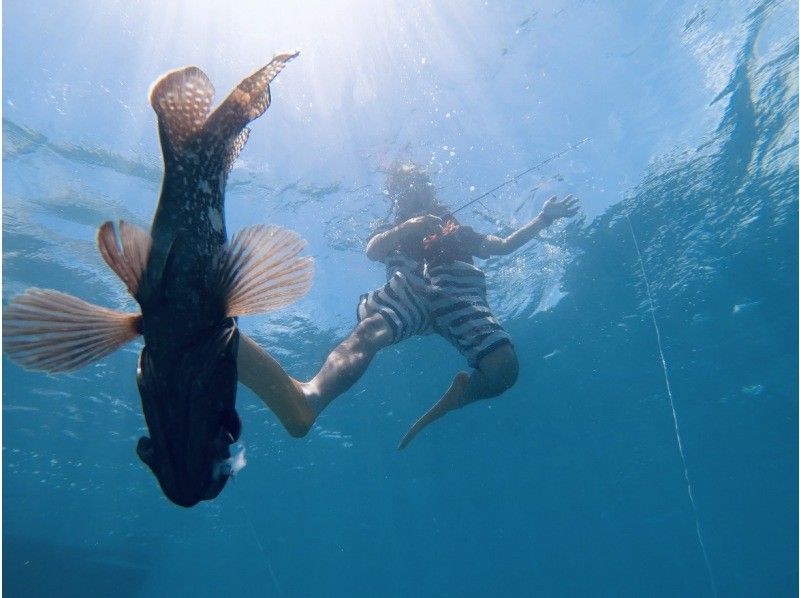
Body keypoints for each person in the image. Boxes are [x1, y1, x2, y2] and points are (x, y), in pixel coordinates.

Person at [237, 163, 579, 448]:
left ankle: (462, 395)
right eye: (402, 189)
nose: (411, 194)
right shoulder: (393, 229)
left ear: (429, 191)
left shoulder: (457, 230)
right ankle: (311, 398)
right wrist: (405, 228)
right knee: (370, 330)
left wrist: (543, 219)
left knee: (504, 368)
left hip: (460, 290)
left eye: (416, 185)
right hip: (409, 289)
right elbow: (373, 250)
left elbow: (502, 245)